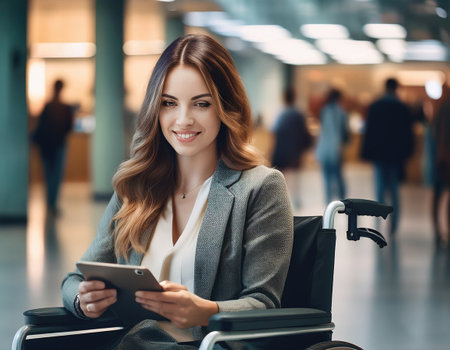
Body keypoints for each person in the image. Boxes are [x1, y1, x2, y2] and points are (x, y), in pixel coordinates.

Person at [61, 34, 293, 349]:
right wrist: (82, 299)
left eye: (201, 103)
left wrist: (206, 312)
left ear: (225, 107)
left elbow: (264, 303)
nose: (183, 120)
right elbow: (74, 279)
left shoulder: (260, 187)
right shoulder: (137, 186)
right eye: (169, 103)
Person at [361, 78, 414, 235]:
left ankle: (378, 220)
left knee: (379, 188)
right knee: (394, 189)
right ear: (396, 88)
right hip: (395, 156)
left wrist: (367, 152)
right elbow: (407, 134)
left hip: (379, 154)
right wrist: (407, 153)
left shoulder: (376, 106)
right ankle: (394, 223)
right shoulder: (402, 107)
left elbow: (369, 131)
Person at [32, 79, 75, 214]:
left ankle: (50, 203)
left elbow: (40, 126)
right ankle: (52, 203)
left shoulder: (48, 106)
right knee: (55, 177)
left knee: (49, 175)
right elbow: (69, 128)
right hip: (58, 145)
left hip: (46, 147)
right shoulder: (65, 108)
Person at [271, 86, 312, 209]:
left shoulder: (280, 114)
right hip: (295, 152)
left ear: (284, 97)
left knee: (280, 178)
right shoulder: (299, 114)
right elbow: (305, 134)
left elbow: (275, 133)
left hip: (281, 151)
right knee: (294, 178)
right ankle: (294, 200)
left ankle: (281, 202)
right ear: (294, 97)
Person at [315, 88, 349, 204]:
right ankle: (342, 202)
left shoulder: (323, 111)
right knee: (338, 176)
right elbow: (345, 134)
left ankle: (328, 203)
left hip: (324, 149)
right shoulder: (341, 112)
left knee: (327, 178)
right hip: (336, 150)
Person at [431, 83, 450, 248]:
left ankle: (438, 231)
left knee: (438, 196)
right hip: (443, 159)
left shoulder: (442, 108)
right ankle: (440, 230)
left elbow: (438, 135)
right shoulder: (443, 108)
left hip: (442, 159)